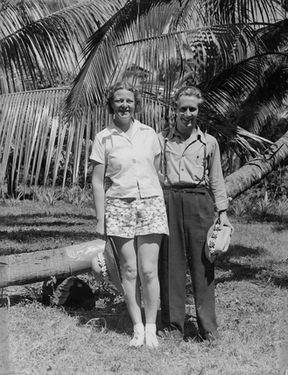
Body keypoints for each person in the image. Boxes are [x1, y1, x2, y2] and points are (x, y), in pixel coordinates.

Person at [90, 81, 169, 348]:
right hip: (119, 207)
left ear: (136, 105)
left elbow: (157, 173)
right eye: (119, 101)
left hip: (151, 204)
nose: (124, 105)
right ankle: (136, 327)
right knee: (130, 270)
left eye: (129, 101)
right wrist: (101, 219)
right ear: (111, 104)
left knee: (149, 270)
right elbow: (98, 182)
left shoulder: (150, 134)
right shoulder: (103, 138)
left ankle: (150, 328)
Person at [158, 85, 233, 342]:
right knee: (171, 264)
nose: (188, 113)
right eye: (183, 109)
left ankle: (208, 328)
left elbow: (216, 179)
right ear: (175, 110)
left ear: (198, 111)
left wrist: (222, 212)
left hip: (199, 201)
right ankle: (173, 327)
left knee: (203, 264)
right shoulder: (162, 140)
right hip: (170, 201)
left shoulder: (208, 143)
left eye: (193, 108)